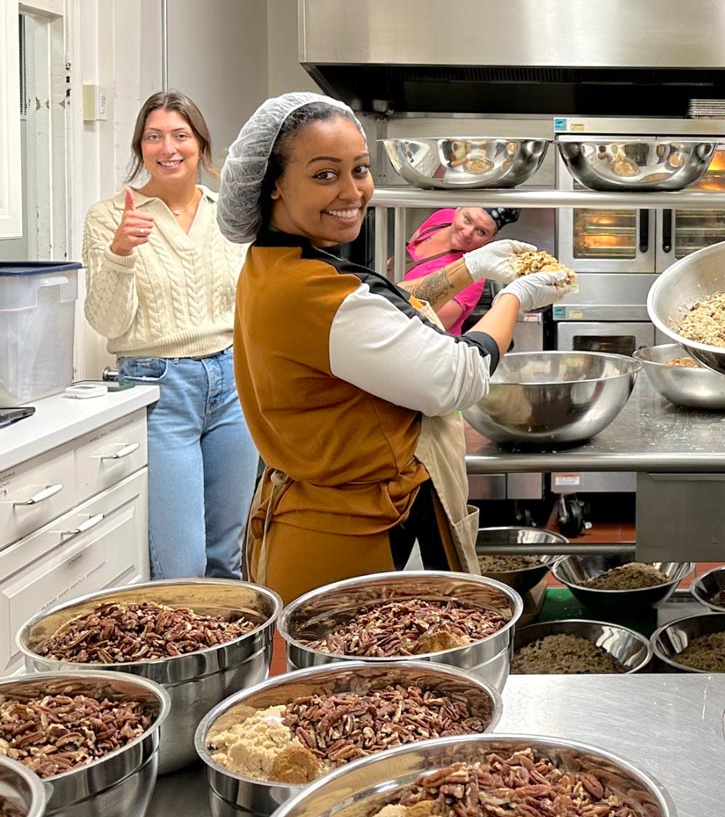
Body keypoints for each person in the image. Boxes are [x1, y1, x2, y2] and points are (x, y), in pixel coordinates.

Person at [217, 92, 571, 604]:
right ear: (273, 184)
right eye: (324, 174)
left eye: (359, 169)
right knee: (365, 681)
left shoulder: (281, 264)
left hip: (336, 521)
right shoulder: (312, 294)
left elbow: (392, 311)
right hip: (347, 547)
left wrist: (469, 267)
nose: (352, 190)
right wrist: (516, 295)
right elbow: (457, 376)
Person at [82, 91, 258, 579]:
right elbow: (107, 322)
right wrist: (120, 253)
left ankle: (230, 658)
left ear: (201, 144)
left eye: (181, 135)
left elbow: (254, 304)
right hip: (159, 389)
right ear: (141, 148)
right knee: (182, 564)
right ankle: (184, 656)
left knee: (229, 555)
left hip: (232, 383)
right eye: (154, 137)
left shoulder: (231, 216)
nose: (168, 148)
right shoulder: (110, 217)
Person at [405, 205, 520, 334]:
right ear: (458, 209)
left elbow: (425, 326)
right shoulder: (442, 218)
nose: (467, 233)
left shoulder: (470, 276)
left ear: (489, 240)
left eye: (481, 232)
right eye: (467, 220)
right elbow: (407, 252)